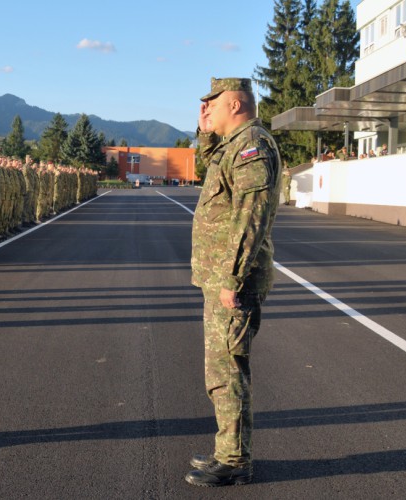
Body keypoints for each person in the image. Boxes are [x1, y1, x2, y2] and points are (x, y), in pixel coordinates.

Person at [186, 77, 281, 487]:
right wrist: (205, 132)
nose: (208, 111)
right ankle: (228, 450)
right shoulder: (232, 145)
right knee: (221, 369)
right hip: (221, 279)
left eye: (214, 106)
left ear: (237, 105)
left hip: (232, 281)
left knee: (228, 369)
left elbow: (249, 217)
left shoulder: (251, 146)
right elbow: (207, 169)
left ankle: (235, 461)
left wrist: (230, 277)